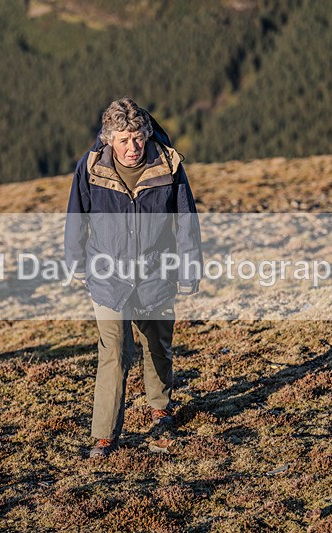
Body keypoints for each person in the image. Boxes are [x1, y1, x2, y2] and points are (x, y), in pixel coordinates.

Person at [64, 97, 203, 458]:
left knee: (157, 345)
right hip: (108, 279)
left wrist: (189, 269)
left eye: (138, 137)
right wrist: (76, 262)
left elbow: (186, 219)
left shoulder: (167, 166)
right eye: (123, 140)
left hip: (156, 276)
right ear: (109, 139)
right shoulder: (91, 167)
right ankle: (105, 436)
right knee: (114, 353)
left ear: (147, 134)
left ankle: (160, 409)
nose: (132, 147)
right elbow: (76, 216)